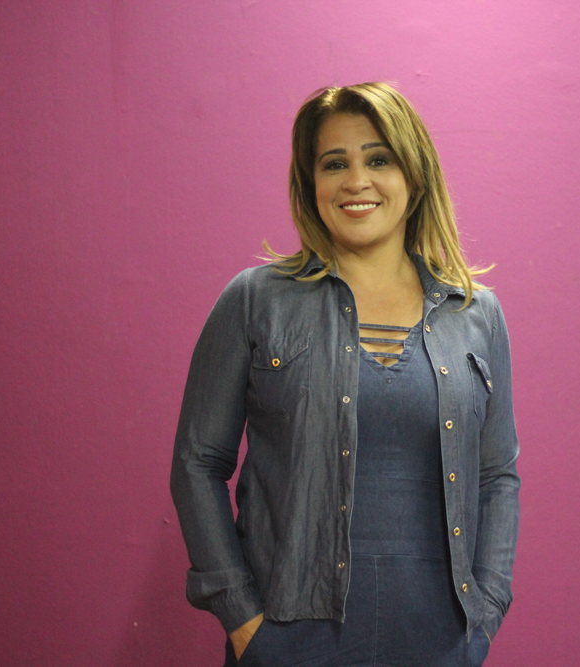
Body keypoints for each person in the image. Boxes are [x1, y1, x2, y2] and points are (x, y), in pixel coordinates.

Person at [171, 82, 520, 666]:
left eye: (378, 159)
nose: (356, 181)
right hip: (288, 640)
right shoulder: (256, 300)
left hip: (440, 640)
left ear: (415, 175)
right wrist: (244, 620)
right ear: (311, 184)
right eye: (335, 164)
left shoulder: (475, 314)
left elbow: (496, 475)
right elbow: (197, 462)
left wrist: (485, 613)